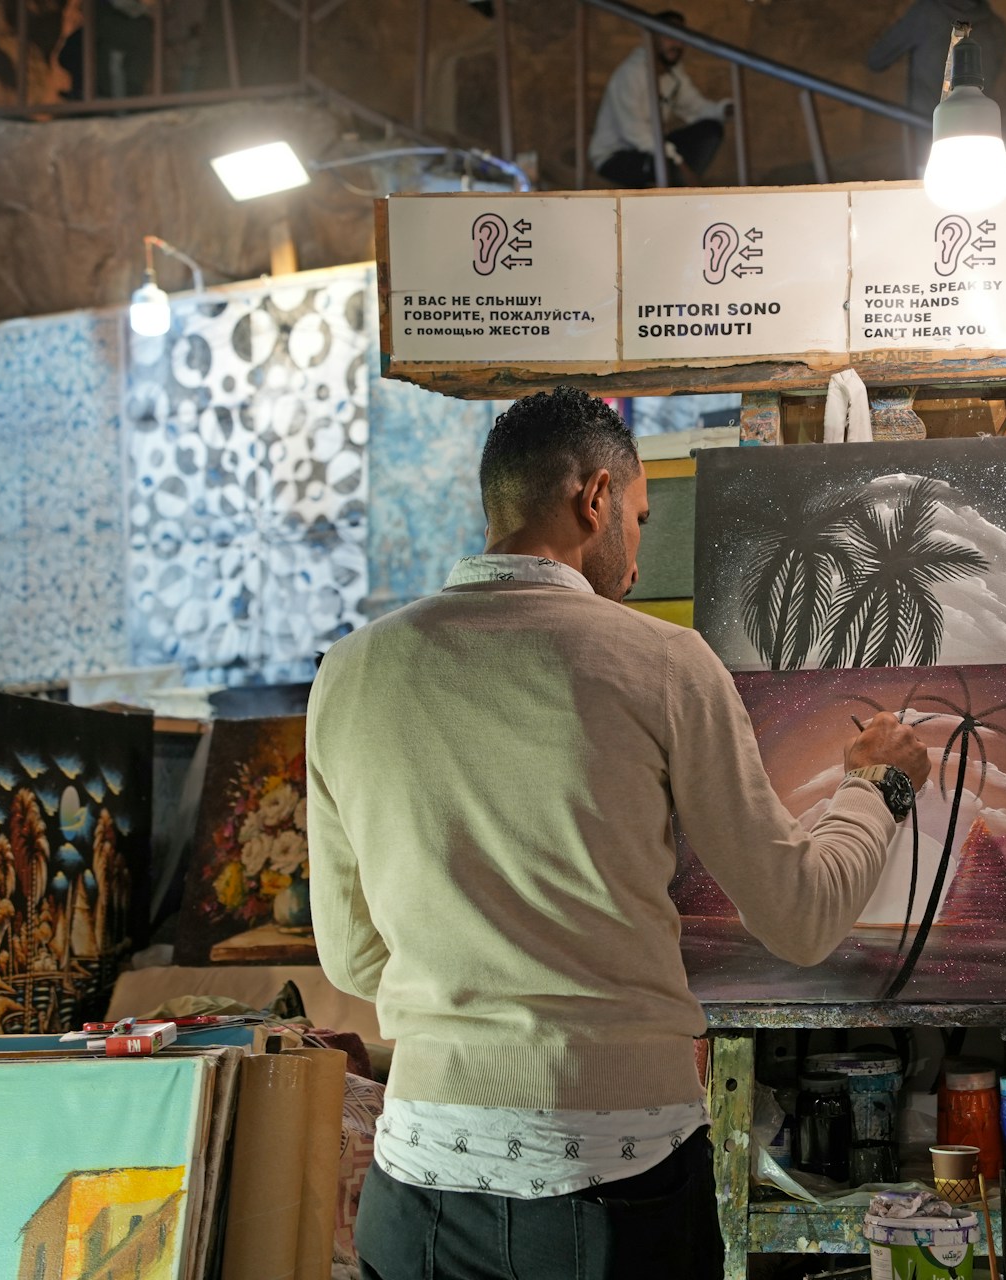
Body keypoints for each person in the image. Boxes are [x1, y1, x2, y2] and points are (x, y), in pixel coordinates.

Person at [309, 387, 930, 1279]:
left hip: (419, 1186)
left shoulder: (350, 673)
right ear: (595, 498)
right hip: (613, 1179)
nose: (635, 564)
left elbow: (353, 960)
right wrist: (878, 786)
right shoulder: (664, 663)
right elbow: (800, 917)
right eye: (637, 520)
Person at [589, 10, 730, 187]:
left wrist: (724, 109)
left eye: (681, 38)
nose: (677, 44)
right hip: (617, 155)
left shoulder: (674, 73)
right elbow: (634, 132)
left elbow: (694, 106)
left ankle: (682, 185)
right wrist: (679, 163)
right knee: (665, 166)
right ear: (652, 38)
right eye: (670, 36)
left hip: (656, 147)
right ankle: (682, 187)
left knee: (710, 130)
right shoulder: (630, 74)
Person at [866, 0, 1006, 115]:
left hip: (928, 127)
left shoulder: (925, 13)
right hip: (976, 127)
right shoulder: (997, 27)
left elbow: (877, 59)